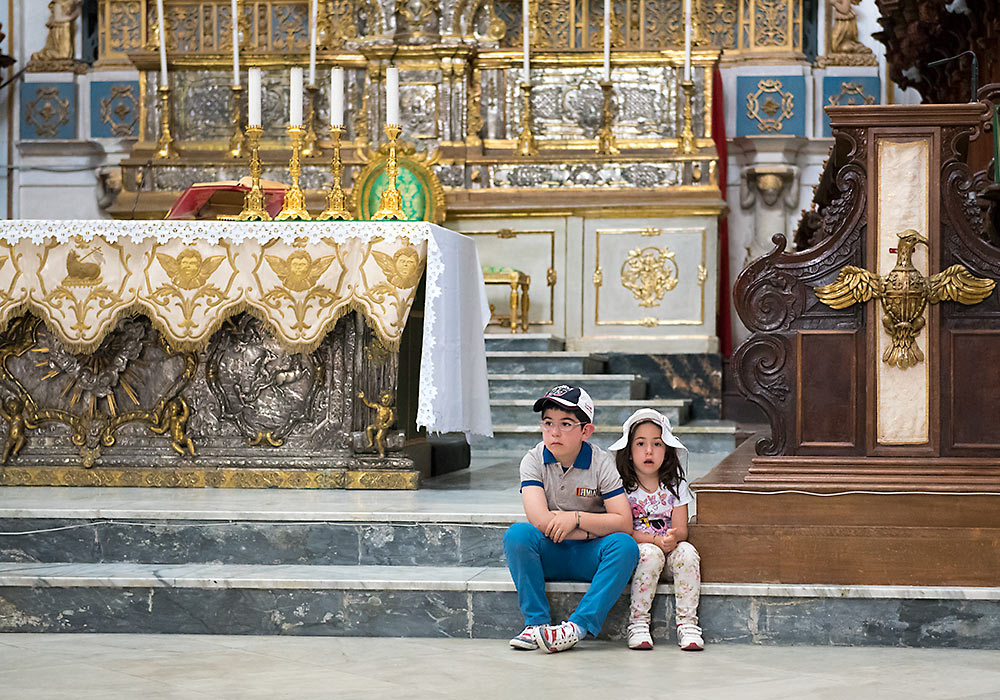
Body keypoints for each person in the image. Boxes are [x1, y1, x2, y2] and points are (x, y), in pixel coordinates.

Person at [503, 385, 639, 653]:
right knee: (517, 535)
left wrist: (574, 519)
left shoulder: (602, 463)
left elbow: (623, 522)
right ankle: (536, 624)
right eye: (548, 423)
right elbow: (539, 519)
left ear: (586, 431)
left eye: (566, 424)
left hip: (590, 555)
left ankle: (576, 627)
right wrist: (594, 526)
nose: (554, 432)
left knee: (625, 546)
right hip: (549, 551)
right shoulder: (532, 460)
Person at [609, 408, 704, 651]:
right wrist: (652, 539)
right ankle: (639, 623)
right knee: (650, 554)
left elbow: (681, 528)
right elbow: (623, 528)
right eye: (640, 443)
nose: (649, 451)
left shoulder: (675, 485)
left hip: (669, 549)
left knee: (688, 553)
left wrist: (674, 537)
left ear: (667, 451)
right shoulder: (622, 487)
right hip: (640, 552)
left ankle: (687, 623)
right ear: (629, 452)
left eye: (657, 444)